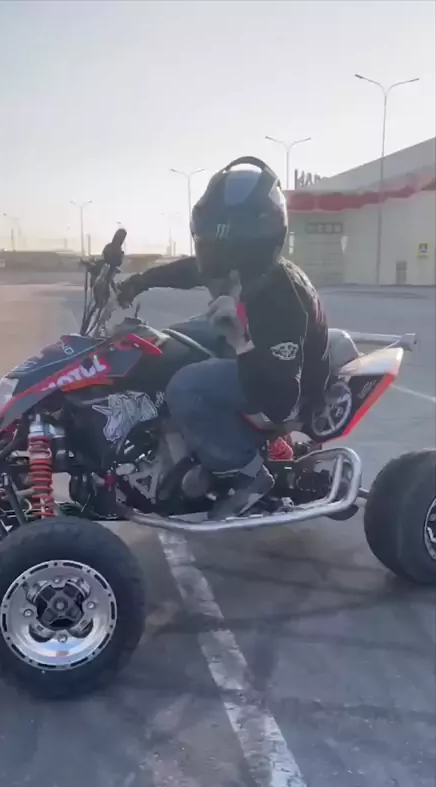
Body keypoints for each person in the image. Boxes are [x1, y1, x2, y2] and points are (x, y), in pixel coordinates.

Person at [115, 156, 330, 518]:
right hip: (253, 345)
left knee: (186, 386)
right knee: (166, 343)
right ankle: (179, 440)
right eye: (208, 245)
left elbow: (280, 399)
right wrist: (138, 282)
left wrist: (241, 342)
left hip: (287, 378)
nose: (211, 261)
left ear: (251, 249)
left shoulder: (282, 298)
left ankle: (247, 474)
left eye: (222, 250)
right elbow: (190, 270)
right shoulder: (234, 266)